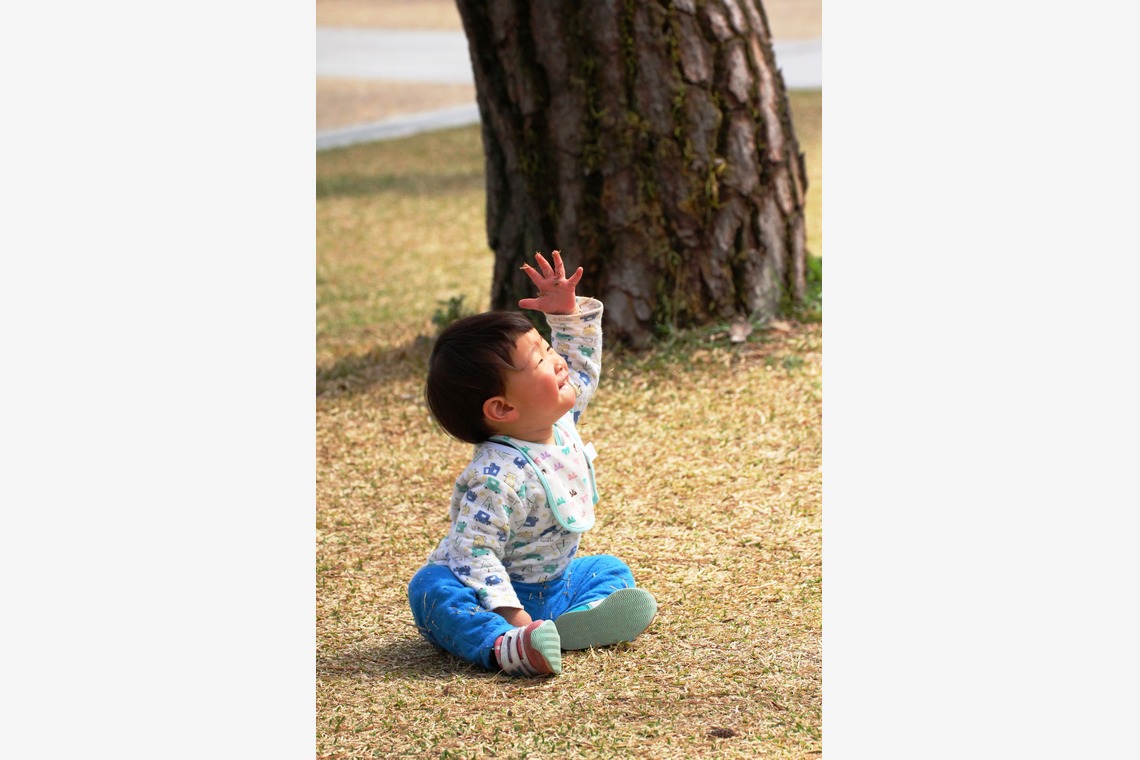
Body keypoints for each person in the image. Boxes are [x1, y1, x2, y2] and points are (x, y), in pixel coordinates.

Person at [408, 250, 657, 677]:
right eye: (542, 359)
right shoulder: (497, 476)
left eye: (546, 346)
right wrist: (513, 616)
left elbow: (579, 367)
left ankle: (563, 627)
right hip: (487, 593)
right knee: (430, 590)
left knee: (609, 569)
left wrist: (566, 316)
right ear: (503, 408)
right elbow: (474, 553)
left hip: (551, 586)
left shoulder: (557, 422)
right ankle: (505, 644)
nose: (557, 360)